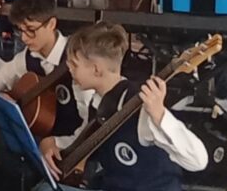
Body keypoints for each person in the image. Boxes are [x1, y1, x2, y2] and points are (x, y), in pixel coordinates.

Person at [40, 23, 207, 191]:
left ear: (96, 70)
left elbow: (198, 160)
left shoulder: (140, 108)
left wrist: (160, 115)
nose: (69, 69)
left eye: (74, 64)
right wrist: (53, 143)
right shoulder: (98, 102)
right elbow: (87, 138)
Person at [0, 0, 87, 172]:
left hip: (68, 148)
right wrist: (0, 95)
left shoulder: (76, 61)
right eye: (20, 30)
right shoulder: (28, 56)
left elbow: (89, 122)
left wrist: (59, 143)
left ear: (51, 24)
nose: (24, 38)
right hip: (38, 139)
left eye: (31, 30)